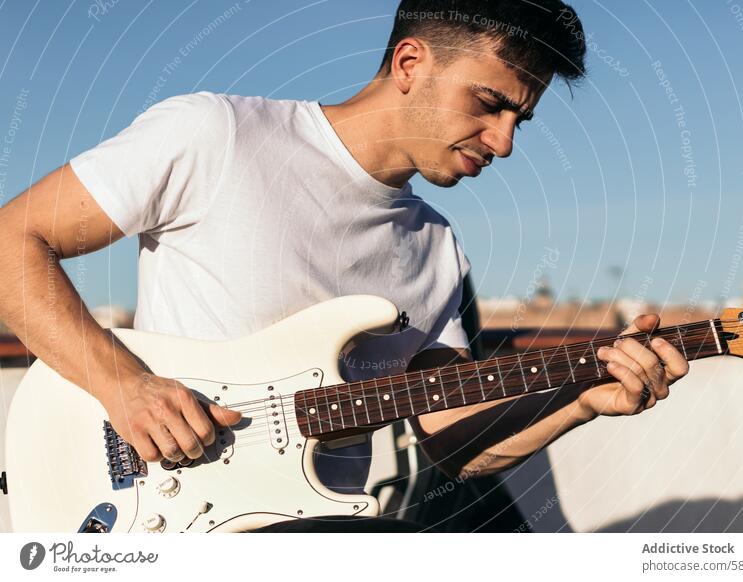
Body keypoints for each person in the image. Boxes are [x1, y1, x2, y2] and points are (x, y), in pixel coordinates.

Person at [0, 0, 688, 532]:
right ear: (410, 63)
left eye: (521, 121)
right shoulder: (218, 135)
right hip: (172, 511)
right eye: (490, 104)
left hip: (318, 526)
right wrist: (124, 388)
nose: (505, 142)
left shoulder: (436, 247)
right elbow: (12, 240)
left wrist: (579, 398)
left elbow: (452, 445)